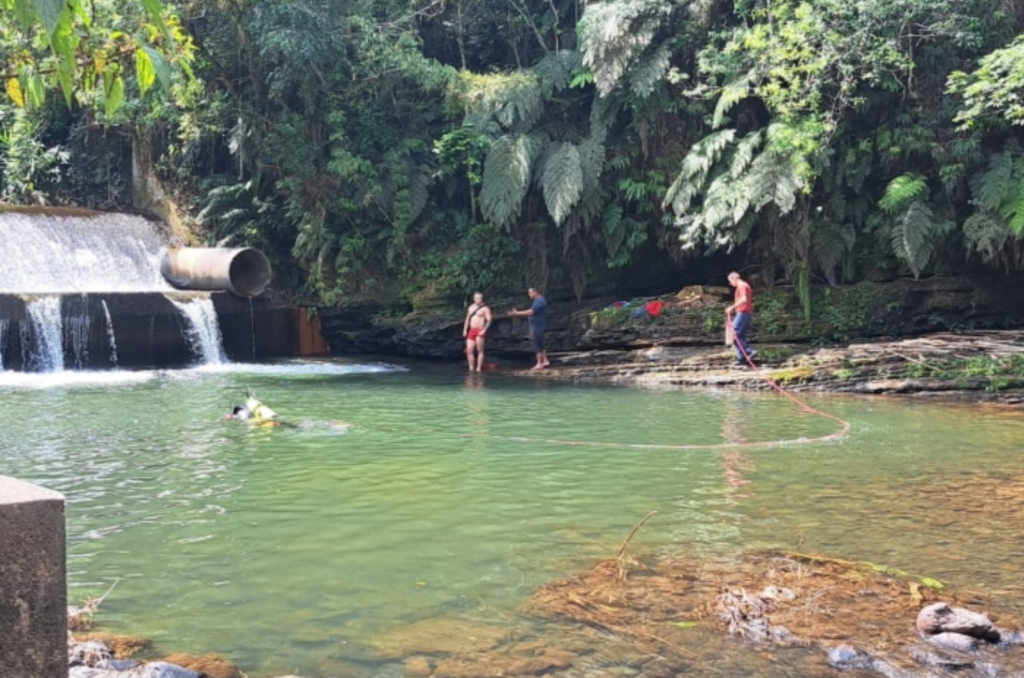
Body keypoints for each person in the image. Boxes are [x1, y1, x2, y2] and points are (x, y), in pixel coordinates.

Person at [509, 287, 549, 370]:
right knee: (540, 343)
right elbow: (530, 311)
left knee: (536, 344)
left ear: (535, 292)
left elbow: (531, 312)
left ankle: (539, 363)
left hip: (537, 326)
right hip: (538, 325)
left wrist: (517, 313)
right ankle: (545, 360)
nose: (529, 294)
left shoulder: (539, 301)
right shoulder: (538, 301)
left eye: (530, 293)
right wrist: (517, 313)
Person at [725, 272, 757, 366]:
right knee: (740, 336)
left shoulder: (742, 286)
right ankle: (741, 358)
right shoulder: (742, 286)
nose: (730, 284)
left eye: (730, 281)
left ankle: (749, 351)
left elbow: (744, 300)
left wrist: (732, 307)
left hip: (743, 313)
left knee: (734, 334)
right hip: (743, 313)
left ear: (734, 278)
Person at [463, 292, 493, 372]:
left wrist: (484, 330)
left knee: (480, 350)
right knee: (469, 350)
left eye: (480, 298)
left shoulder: (485, 308)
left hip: (480, 330)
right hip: (472, 330)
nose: (479, 300)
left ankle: (478, 368)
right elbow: (467, 319)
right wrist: (465, 329)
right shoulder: (470, 308)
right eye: (477, 298)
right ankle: (471, 368)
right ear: (474, 299)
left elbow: (489, 320)